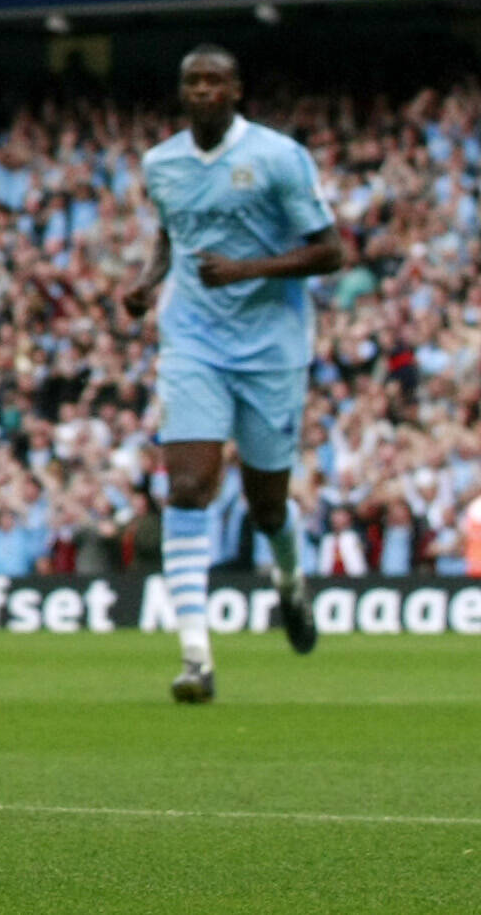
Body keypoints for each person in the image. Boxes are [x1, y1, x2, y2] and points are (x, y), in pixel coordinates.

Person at [123, 45, 347, 703]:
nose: (202, 91)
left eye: (214, 81)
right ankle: (196, 658)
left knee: (266, 503)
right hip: (192, 338)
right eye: (192, 81)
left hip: (272, 346)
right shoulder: (161, 163)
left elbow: (330, 251)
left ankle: (290, 586)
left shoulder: (277, 157)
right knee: (188, 487)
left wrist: (248, 270)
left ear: (236, 91)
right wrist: (147, 282)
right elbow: (174, 235)